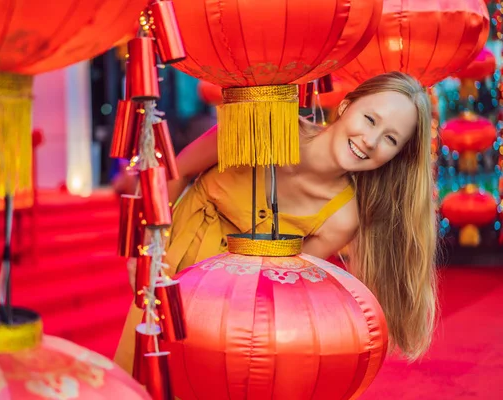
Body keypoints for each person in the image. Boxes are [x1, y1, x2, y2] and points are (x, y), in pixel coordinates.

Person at [114, 71, 438, 372]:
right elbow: (178, 170)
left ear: (397, 156)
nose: (370, 140)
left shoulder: (343, 216)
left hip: (231, 308)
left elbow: (284, 290)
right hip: (172, 262)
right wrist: (147, 246)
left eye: (390, 139)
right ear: (346, 104)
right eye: (370, 119)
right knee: (144, 374)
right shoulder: (266, 124)